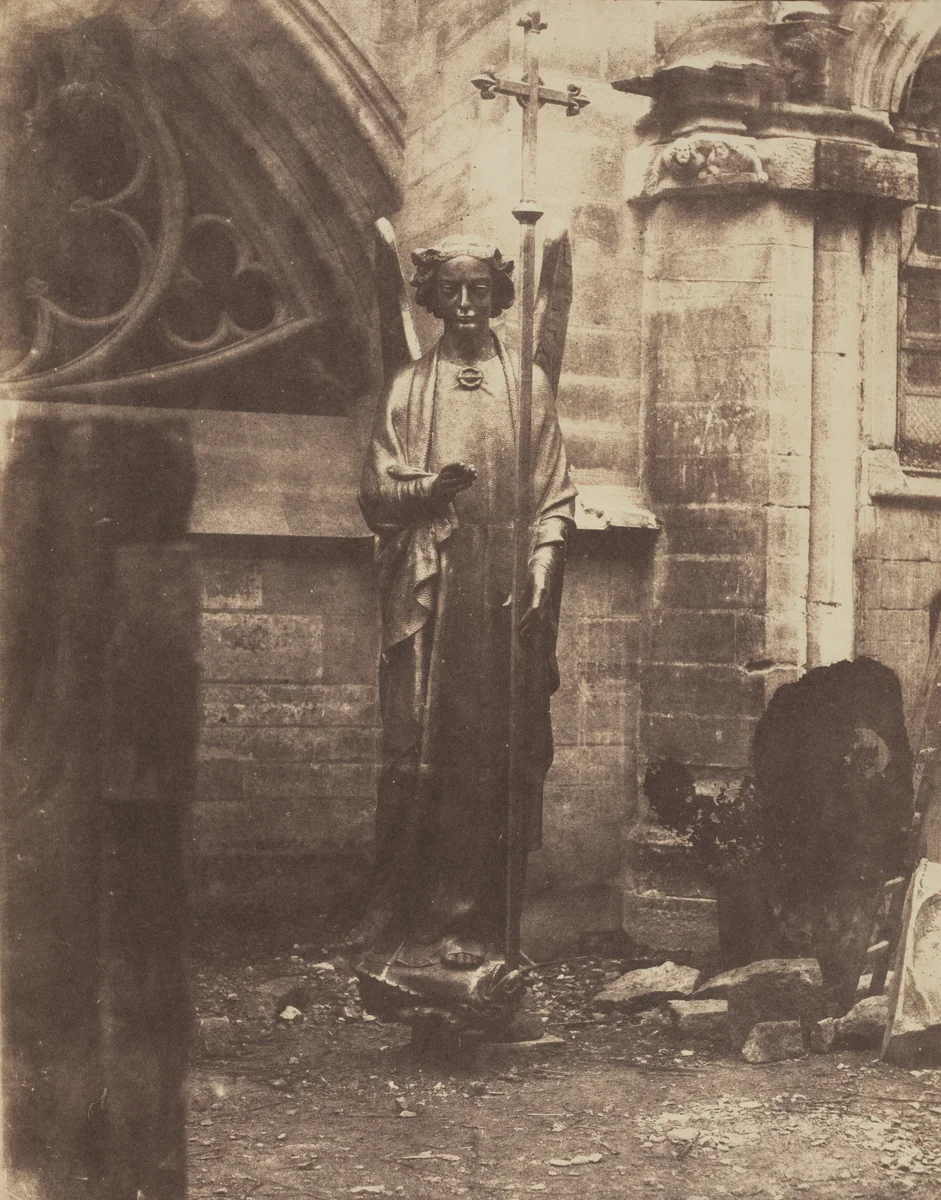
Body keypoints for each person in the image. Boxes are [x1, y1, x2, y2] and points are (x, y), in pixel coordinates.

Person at [355, 235, 575, 1024]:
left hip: (505, 592)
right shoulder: (412, 387)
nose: (467, 301)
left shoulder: (529, 385)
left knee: (500, 751)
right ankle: (428, 922)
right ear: (432, 299)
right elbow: (377, 486)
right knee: (432, 749)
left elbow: (553, 491)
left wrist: (543, 566)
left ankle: (492, 923)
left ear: (501, 295)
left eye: (480, 288)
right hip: (440, 587)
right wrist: (426, 487)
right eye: (451, 290)